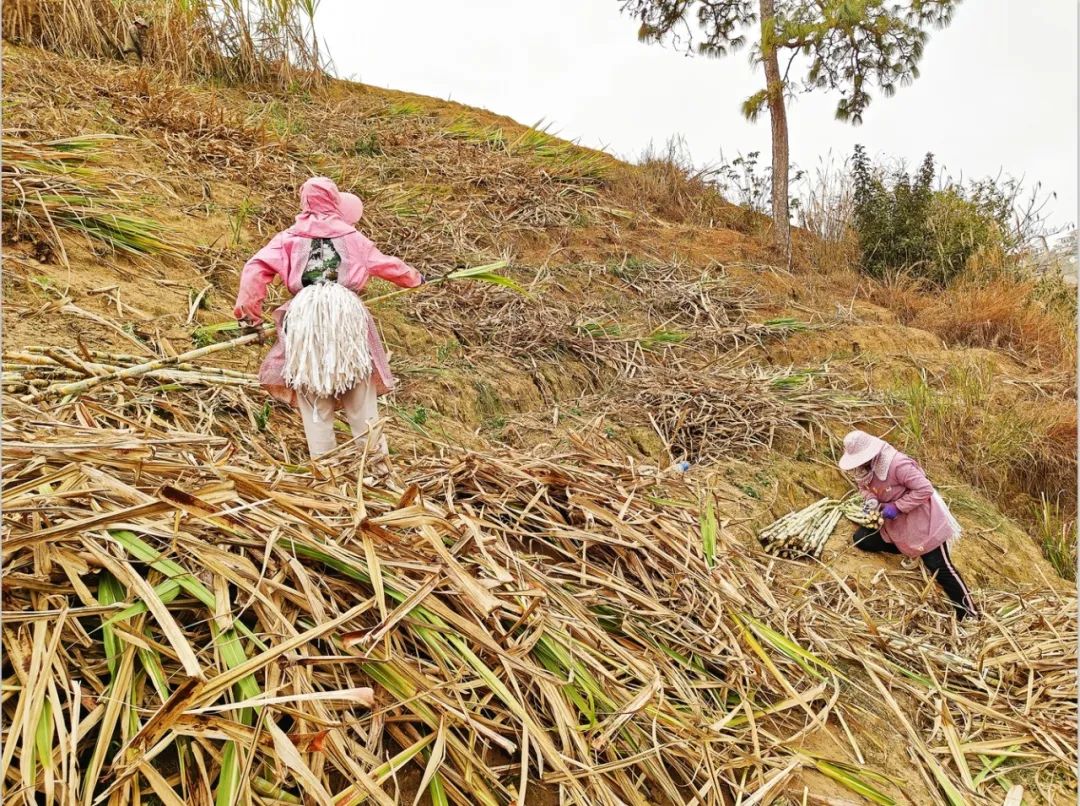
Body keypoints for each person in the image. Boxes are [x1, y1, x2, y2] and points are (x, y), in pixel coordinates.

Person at [233, 177, 422, 469]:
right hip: (345, 312)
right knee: (359, 387)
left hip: (305, 314)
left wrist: (250, 313)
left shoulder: (288, 238)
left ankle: (325, 469)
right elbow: (387, 264)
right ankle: (377, 469)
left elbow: (255, 268)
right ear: (335, 202)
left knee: (314, 389)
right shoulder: (353, 238)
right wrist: (415, 278)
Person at [838, 430, 978, 621]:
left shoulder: (897, 465)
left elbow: (924, 489)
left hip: (921, 520)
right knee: (862, 539)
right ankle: (912, 551)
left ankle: (970, 614)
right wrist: (871, 500)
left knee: (939, 567)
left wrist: (897, 506)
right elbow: (864, 488)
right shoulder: (862, 470)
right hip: (895, 524)